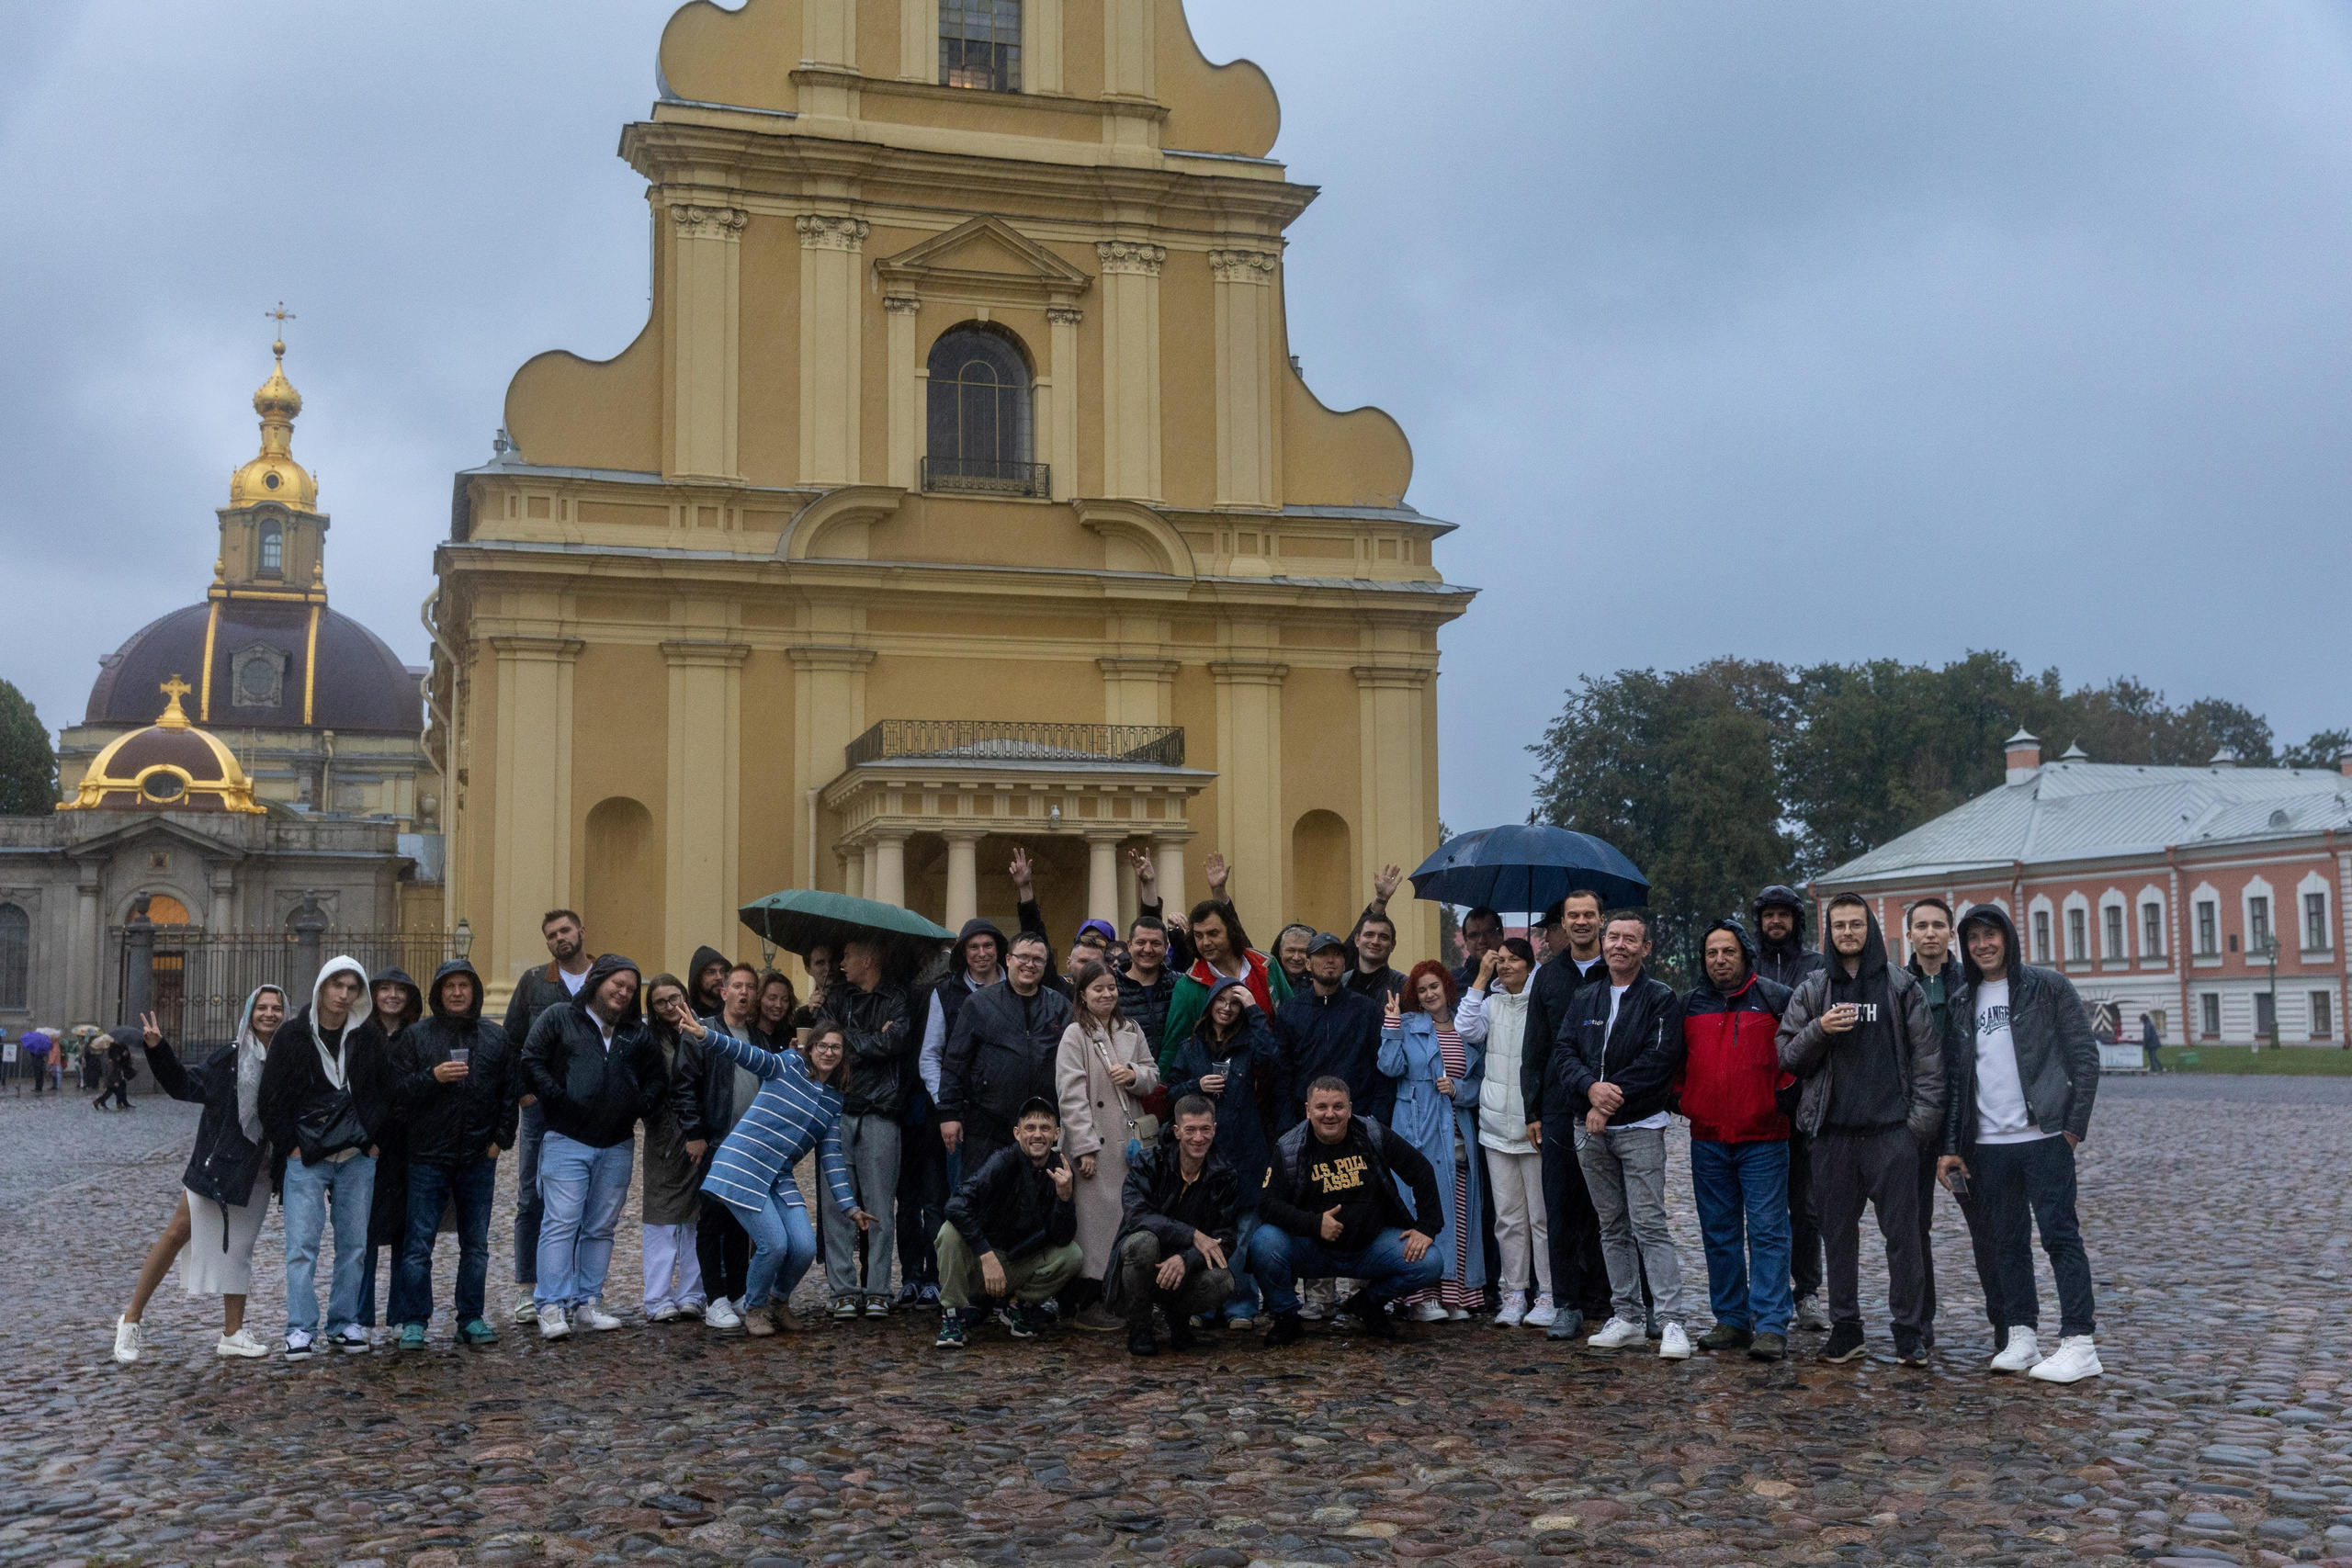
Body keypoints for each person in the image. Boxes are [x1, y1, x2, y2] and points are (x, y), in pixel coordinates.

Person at [1937, 905, 2104, 1383]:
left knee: (2060, 1236)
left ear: (2007, 937)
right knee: (2006, 1241)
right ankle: (2022, 1335)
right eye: (1973, 938)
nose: (1982, 945)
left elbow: (2084, 1057)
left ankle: (2079, 1342)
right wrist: (1952, 1145)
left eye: (1990, 935)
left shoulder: (2047, 987)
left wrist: (2071, 1129)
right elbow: (1957, 1080)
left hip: (2044, 1136)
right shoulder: (1962, 1000)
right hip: (1989, 1144)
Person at [1775, 897, 1944, 1367]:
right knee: (1837, 1237)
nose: (1848, 932)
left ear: (1869, 928)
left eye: (1856, 924)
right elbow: (1787, 1055)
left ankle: (1909, 1332)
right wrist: (1820, 1029)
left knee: (1904, 1239)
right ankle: (1846, 1328)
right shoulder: (1815, 988)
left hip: (1891, 1134)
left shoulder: (1900, 985)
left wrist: (1914, 1132)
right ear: (1828, 932)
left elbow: (1929, 1063)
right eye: (1839, 925)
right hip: (1832, 1135)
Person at [675, 1006, 874, 1337]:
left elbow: (832, 1157)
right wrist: (705, 1035)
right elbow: (748, 1055)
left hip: (778, 1175)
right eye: (822, 1045)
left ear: (843, 1055)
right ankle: (754, 1308)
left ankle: (778, 1302)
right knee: (774, 1244)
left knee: (804, 1247)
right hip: (743, 1166)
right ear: (810, 1048)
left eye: (835, 1048)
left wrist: (849, 1207)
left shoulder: (833, 1100)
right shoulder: (789, 1064)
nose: (828, 1052)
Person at [113, 988, 287, 1364]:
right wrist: (158, 1049)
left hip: (259, 1169)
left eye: (276, 1008)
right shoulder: (230, 1057)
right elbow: (186, 1086)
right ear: (250, 1013)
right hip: (220, 1163)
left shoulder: (288, 1059)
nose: (269, 1014)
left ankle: (233, 1333)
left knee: (239, 1249)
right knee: (178, 1233)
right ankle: (130, 1320)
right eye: (262, 1007)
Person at [1554, 910, 1692, 1359]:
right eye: (1612, 937)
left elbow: (1659, 1060)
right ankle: (1627, 1316)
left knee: (1649, 1225)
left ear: (1645, 948)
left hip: (1639, 1127)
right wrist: (1589, 1090)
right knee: (1611, 1225)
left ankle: (1670, 1321)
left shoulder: (1660, 998)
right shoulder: (1585, 997)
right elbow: (1564, 1052)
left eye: (1629, 939)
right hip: (1589, 1130)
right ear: (1603, 941)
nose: (1619, 945)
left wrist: (1606, 1102)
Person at [520, 953, 665, 1339]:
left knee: (601, 1227)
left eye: (631, 988)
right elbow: (531, 1060)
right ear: (597, 981)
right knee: (560, 1223)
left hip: (617, 1143)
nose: (624, 992)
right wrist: (557, 1097)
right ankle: (550, 1305)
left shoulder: (637, 1034)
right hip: (566, 1139)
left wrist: (638, 1106)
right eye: (617, 984)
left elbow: (657, 1077)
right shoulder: (559, 1018)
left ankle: (588, 1302)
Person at [259, 956, 393, 1359]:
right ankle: (300, 1327)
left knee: (354, 1246)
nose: (344, 994)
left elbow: (385, 1091)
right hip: (307, 1158)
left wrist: (374, 1141)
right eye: (338, 985)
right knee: (302, 1247)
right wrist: (291, 1146)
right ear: (322, 987)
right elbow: (270, 1098)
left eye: (352, 988)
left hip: (356, 1156)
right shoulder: (292, 1035)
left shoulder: (368, 1036)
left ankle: (343, 1322)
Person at [1675, 919, 1795, 1363]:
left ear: (1744, 954)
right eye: (1712, 953)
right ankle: (1731, 1318)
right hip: (1708, 1137)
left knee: (1768, 1232)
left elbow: (1797, 1054)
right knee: (1718, 1232)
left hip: (1764, 1137)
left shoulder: (1775, 998)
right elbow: (1676, 1060)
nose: (1720, 960)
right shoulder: (1691, 1004)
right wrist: (1683, 1099)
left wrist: (1779, 1099)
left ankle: (1770, 1324)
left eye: (1728, 951)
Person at [1251, 1077, 1443, 1346]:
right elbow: (1267, 1204)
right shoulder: (1290, 1146)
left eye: (1338, 1107)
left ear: (1350, 1109)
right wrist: (1314, 1223)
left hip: (1370, 1247)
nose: (1330, 1114)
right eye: (1321, 1107)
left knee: (1430, 1261)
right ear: (1308, 1110)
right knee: (1264, 1242)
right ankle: (1286, 1316)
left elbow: (1421, 1170)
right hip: (1313, 1249)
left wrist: (1427, 1227)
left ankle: (1368, 1303)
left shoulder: (1372, 1133)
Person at [389, 959, 515, 1348]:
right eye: (450, 986)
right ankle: (414, 1321)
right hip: (428, 1155)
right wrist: (433, 1077)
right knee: (418, 1246)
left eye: (464, 985)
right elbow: (397, 1091)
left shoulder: (495, 1037)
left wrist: (500, 1140)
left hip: (478, 1156)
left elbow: (509, 1093)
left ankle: (471, 1317)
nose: (457, 992)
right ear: (438, 993)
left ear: (474, 991)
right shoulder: (417, 1036)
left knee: (475, 1245)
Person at [1517, 891, 1613, 1340]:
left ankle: (1610, 1299)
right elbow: (1534, 1047)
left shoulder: (1616, 969)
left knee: (1610, 1210)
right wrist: (1532, 1109)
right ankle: (1567, 1304)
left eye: (1588, 914)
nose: (1581, 921)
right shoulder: (1548, 977)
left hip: (1611, 1106)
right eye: (1573, 915)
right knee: (1560, 1208)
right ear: (1563, 922)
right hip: (1558, 1107)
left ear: (1601, 920)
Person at [1055, 959, 1161, 1328]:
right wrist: (1084, 1146)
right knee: (1093, 1227)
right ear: (1082, 994)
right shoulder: (1075, 1035)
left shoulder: (1131, 1028)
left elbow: (1152, 1073)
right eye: (1097, 988)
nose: (1106, 994)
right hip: (1094, 1145)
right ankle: (1089, 1300)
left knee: (1124, 1219)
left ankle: (1118, 1294)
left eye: (1111, 987)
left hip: (1128, 1143)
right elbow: (1070, 1095)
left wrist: (1133, 1075)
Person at [1379, 962, 1487, 1323]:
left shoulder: (1467, 1027)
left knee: (1459, 1212)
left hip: (1458, 1131)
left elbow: (1479, 1081)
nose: (1428, 994)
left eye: (1434, 986)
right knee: (1422, 1208)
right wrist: (1391, 1025)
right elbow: (1390, 1068)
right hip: (1419, 1127)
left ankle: (1455, 1295)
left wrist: (1458, 1090)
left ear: (1447, 988)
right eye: (1421, 989)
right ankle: (1420, 1297)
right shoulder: (1408, 1025)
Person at [502, 909, 595, 1325]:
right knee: (532, 1196)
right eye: (552, 935)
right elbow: (511, 1042)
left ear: (581, 932)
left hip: (591, 1105)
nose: (560, 938)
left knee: (585, 1198)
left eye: (565, 930)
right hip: (541, 1106)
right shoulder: (534, 982)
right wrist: (523, 1093)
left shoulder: (604, 978)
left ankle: (575, 1289)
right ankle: (528, 1288)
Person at [1457, 939, 1555, 1328]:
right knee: (1509, 1218)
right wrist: (1481, 978)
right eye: (1500, 960)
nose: (1506, 965)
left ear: (1530, 965)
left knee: (1541, 1217)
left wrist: (1541, 1111)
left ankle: (1547, 1294)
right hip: (1496, 1126)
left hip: (1533, 1125)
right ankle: (1515, 1293)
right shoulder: (1491, 1004)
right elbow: (1465, 1028)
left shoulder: (1541, 1002)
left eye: (1514, 959)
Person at [933, 1097, 1084, 1348]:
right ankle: (952, 1314)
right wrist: (986, 1255)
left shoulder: (1061, 1169)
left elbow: (1062, 1238)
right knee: (949, 1232)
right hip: (981, 1263)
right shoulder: (1002, 1161)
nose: (1038, 1135)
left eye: (1045, 1128)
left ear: (1056, 1134)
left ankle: (1017, 1306)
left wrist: (1065, 1198)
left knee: (1073, 1255)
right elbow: (955, 1205)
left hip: (1018, 1263)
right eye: (1030, 1128)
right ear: (1017, 1133)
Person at [914, 918, 1009, 1306]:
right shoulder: (946, 993)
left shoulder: (1016, 987)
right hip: (964, 1115)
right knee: (964, 1198)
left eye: (988, 946)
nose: (982, 954)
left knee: (1007, 1199)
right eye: (974, 947)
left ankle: (1002, 1285)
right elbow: (930, 1056)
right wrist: (947, 1106)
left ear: (999, 949)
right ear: (963, 953)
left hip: (1008, 1114)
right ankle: (965, 1287)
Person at [1754, 883, 1831, 1334]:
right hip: (1758, 1098)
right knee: (1762, 1207)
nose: (1776, 922)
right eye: (1769, 915)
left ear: (1795, 921)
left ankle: (1808, 1292)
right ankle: (1767, 1290)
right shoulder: (1750, 965)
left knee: (1805, 1206)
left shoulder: (1816, 966)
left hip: (1804, 1100)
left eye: (1783, 914)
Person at [1109, 1096, 1239, 1356]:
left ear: (1214, 1129)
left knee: (1222, 1281)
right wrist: (1192, 1235)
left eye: (1205, 1129)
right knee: (1143, 1242)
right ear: (1177, 1131)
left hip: (1185, 1269)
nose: (1198, 1138)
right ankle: (1140, 1326)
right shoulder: (1149, 1162)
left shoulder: (1224, 1175)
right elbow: (1137, 1215)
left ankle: (1179, 1319)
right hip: (1145, 1263)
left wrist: (1186, 1259)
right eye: (1190, 1130)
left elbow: (1226, 1238)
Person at [826, 941, 912, 1318]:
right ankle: (843, 1290)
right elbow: (828, 1045)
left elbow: (895, 1042)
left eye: (846, 956)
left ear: (867, 959)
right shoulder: (837, 997)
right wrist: (872, 1038)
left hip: (880, 1111)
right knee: (836, 1207)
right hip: (838, 1110)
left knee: (880, 1208)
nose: (841, 963)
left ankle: (878, 1289)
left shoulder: (897, 998)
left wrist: (852, 1040)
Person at [940, 931, 1073, 1174]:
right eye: (1023, 957)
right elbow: (955, 1061)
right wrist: (949, 1113)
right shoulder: (979, 1003)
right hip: (987, 1123)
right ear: (1009, 959)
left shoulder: (1060, 1006)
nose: (1030, 964)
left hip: (1040, 1126)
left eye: (1038, 959)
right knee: (983, 1191)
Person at [675, 963, 763, 1330]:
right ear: (724, 992)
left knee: (740, 1221)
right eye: (737, 986)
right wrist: (694, 1133)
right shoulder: (703, 1032)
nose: (744, 992)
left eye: (750, 987)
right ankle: (715, 1299)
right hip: (715, 1140)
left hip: (749, 1146)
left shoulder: (759, 1037)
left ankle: (738, 1291)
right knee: (711, 1221)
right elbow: (684, 1085)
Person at [1902, 898, 1966, 1345]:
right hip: (1916, 1121)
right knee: (1913, 1225)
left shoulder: (1968, 984)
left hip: (1964, 1121)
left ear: (1951, 933)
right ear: (1909, 935)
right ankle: (1919, 1321)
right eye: (1921, 926)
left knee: (1986, 1220)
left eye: (1938, 925)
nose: (1930, 933)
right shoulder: (1897, 985)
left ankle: (2009, 1324)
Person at [1159, 883, 1290, 1074]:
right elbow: (1173, 1047)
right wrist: (1164, 1088)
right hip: (1220, 1087)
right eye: (1198, 935)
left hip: (1275, 1081)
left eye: (1213, 934)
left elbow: (1292, 1021)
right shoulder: (1188, 986)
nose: (1205, 942)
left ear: (1230, 930)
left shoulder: (1267, 966)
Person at [358, 966, 424, 1339]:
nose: (392, 996)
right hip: (367, 1147)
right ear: (374, 995)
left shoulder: (418, 1036)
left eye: (400, 989)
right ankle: (361, 1317)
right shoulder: (358, 1036)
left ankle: (400, 1315)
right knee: (364, 1236)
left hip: (408, 1146)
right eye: (385, 989)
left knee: (405, 1234)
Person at [637, 974, 707, 1324]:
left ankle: (693, 1293)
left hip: (700, 1131)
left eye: (674, 998)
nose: (669, 1007)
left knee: (697, 1215)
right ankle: (658, 1296)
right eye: (660, 1002)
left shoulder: (703, 1030)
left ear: (685, 996)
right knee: (661, 1216)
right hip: (664, 1133)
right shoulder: (648, 1039)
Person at [1272, 933, 1385, 1129]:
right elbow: (1281, 1074)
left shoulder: (1366, 1010)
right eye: (1322, 954)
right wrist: (1288, 1125)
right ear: (1308, 964)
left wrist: (1375, 1117)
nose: (1330, 960)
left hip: (1357, 1120)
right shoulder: (1290, 1012)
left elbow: (1381, 1066)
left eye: (1336, 954)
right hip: (1304, 1122)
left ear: (1344, 963)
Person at [1341, 864, 1409, 1008]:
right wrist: (1380, 899)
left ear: (1393, 945)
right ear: (1357, 940)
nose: (1375, 941)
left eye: (1383, 937)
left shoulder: (1404, 986)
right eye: (1369, 935)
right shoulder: (1340, 983)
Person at [1115, 914, 1178, 1060]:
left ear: (1166, 947)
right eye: (1141, 942)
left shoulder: (1179, 985)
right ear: (1129, 945)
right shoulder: (1111, 989)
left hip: (1173, 1072)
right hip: (1127, 1071)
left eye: (1155, 943)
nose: (1148, 949)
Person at [1452, 907, 1506, 995]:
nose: (1482, 940)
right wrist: (1482, 977)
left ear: (1501, 934)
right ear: (1465, 940)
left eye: (1488, 932)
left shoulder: (1517, 976)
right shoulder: (1454, 981)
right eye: (1474, 935)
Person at [753, 971, 799, 1049]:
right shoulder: (748, 1032)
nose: (779, 1005)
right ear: (759, 998)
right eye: (772, 998)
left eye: (785, 1000)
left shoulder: (790, 1034)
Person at [90, 1033, 135, 1111]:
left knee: (117, 1088)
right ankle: (104, 1102)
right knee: (113, 1089)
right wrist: (122, 1055)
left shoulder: (119, 1047)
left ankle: (118, 1103)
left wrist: (126, 1056)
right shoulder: (110, 1050)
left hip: (116, 1072)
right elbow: (116, 1060)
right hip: (113, 1073)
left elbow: (121, 1059)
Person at [1272, 923, 1315, 993]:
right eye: (1290, 950)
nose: (1296, 958)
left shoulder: (1322, 983)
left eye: (1303, 951)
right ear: (1280, 952)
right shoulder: (1268, 980)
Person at [20, 1026, 50, 1097]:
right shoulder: (38, 1048)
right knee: (38, 1075)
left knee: (39, 1075)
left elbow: (40, 1055)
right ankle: (37, 1087)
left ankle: (39, 1088)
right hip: (38, 1062)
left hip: (38, 1063)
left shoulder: (39, 1048)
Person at [2139, 1010, 2165, 1074]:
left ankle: (2154, 1070)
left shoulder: (2147, 1025)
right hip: (2154, 1043)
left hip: (2152, 1043)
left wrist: (2144, 1043)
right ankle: (2161, 1068)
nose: (2142, 1022)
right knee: (2153, 1057)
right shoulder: (2149, 1024)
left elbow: (2147, 1036)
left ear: (2144, 1020)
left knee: (2151, 1057)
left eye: (2142, 1020)